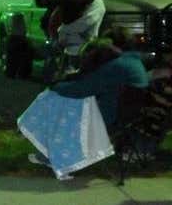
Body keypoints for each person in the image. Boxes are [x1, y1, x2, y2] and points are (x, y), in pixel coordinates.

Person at [19, 38, 148, 180]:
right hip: (127, 114)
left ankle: (55, 154)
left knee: (63, 106)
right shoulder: (130, 62)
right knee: (64, 103)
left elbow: (82, 89)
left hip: (112, 117)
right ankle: (48, 152)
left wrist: (55, 85)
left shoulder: (115, 67)